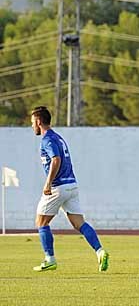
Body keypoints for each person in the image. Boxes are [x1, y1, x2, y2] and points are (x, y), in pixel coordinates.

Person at [29, 106, 109, 272]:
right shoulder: (58, 138)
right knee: (79, 223)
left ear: (38, 121)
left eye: (32, 123)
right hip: (71, 185)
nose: (32, 126)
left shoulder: (47, 139)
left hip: (58, 186)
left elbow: (56, 160)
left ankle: (49, 259)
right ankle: (100, 251)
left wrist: (48, 182)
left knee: (41, 222)